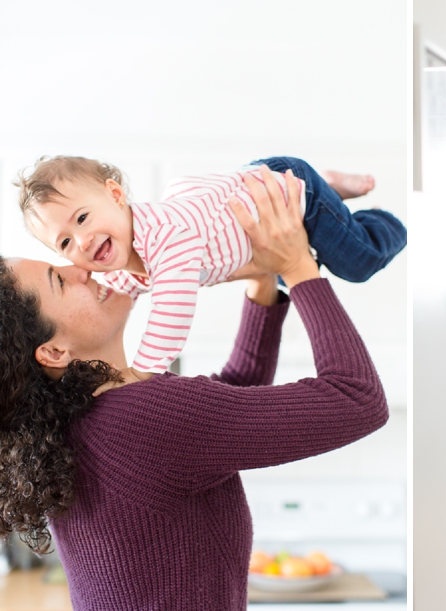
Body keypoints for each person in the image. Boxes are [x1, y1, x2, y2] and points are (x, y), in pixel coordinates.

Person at [0, 168, 389, 609]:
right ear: (52, 351)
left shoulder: (83, 419)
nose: (80, 268)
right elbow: (358, 399)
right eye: (58, 277)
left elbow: (219, 410)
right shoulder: (139, 417)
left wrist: (262, 281)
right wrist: (298, 267)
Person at [16, 155, 407, 376]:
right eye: (65, 242)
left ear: (116, 196)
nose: (81, 241)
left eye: (83, 218)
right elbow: (119, 293)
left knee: (358, 263)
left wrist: (142, 371)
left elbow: (173, 310)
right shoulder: (121, 264)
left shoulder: (167, 238)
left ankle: (375, 219)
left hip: (284, 193)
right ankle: (329, 189)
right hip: (242, 187)